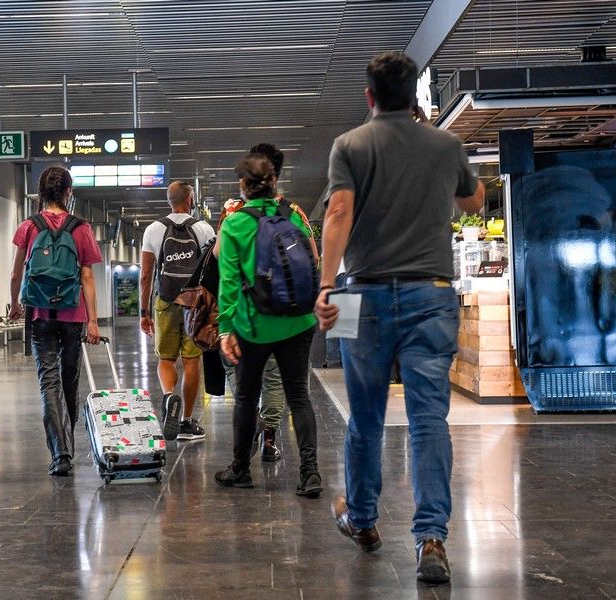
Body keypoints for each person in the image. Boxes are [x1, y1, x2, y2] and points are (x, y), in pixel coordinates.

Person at [317, 51, 485, 583]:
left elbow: (338, 213)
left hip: (356, 295)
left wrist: (326, 287)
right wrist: (440, 155)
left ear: (368, 96)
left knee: (362, 416)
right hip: (431, 295)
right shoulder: (446, 145)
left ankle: (363, 520)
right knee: (429, 420)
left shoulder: (349, 145)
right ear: (414, 95)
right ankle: (431, 538)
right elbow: (474, 201)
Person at [214, 153, 323, 497]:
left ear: (242, 186)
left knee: (246, 396)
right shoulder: (294, 215)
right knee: (299, 397)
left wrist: (226, 328)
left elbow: (228, 281)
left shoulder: (235, 223)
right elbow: (314, 260)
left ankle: (241, 469)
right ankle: (310, 473)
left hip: (255, 325)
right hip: (298, 320)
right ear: (274, 182)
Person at [9, 166, 102, 476]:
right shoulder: (81, 228)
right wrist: (92, 321)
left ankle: (59, 453)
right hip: (73, 316)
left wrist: (15, 305)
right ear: (68, 192)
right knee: (69, 382)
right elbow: (87, 275)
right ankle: (69, 445)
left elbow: (16, 272)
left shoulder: (28, 226)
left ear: (41, 193)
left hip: (38, 314)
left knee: (48, 382)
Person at [140, 180, 215, 441]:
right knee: (192, 360)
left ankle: (170, 396)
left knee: (166, 358)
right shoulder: (203, 228)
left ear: (169, 200)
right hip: (194, 303)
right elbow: (212, 270)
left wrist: (143, 312)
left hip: (165, 300)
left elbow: (146, 275)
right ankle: (186, 421)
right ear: (190, 199)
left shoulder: (153, 229)